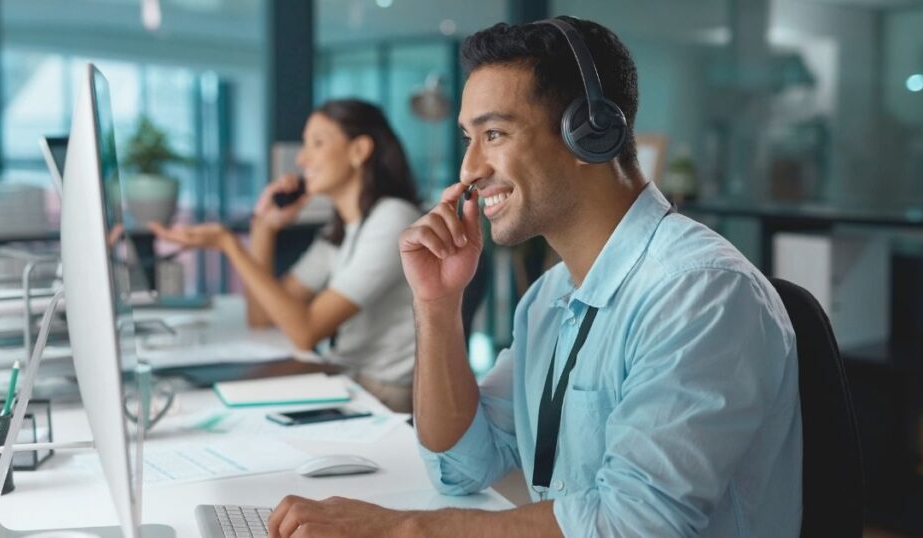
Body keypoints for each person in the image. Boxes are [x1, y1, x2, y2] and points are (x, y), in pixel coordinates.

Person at [266, 16, 803, 538]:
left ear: (591, 134)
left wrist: (402, 529)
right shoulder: (550, 298)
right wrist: (436, 306)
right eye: (467, 139)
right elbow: (461, 465)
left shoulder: (699, 291)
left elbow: (636, 526)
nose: (468, 170)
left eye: (494, 133)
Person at [150, 99, 422, 413]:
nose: (303, 160)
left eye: (317, 144)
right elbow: (263, 317)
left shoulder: (392, 220)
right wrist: (264, 227)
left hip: (383, 394)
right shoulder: (342, 229)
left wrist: (230, 244)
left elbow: (305, 331)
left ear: (359, 151)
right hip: (347, 378)